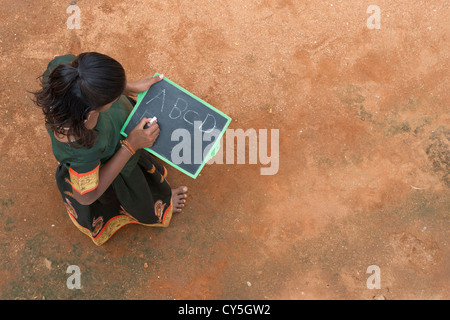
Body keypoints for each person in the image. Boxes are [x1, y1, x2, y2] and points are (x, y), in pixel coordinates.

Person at [33, 52, 188, 246]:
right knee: (131, 187)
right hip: (115, 162)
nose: (115, 98)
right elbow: (86, 195)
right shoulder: (83, 149)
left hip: (118, 136)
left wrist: (130, 86)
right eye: (112, 99)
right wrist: (130, 146)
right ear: (91, 116)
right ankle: (152, 201)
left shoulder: (67, 72)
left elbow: (90, 85)